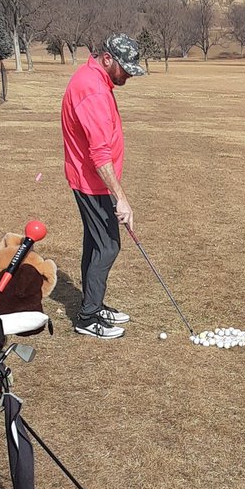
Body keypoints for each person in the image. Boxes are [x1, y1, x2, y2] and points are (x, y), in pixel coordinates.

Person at [61, 33, 146, 338]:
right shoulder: (93, 90)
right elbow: (99, 155)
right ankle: (88, 317)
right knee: (108, 246)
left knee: (96, 243)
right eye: (125, 69)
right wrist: (121, 198)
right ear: (107, 59)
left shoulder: (95, 80)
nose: (127, 76)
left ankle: (93, 304)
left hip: (89, 180)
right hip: (91, 182)